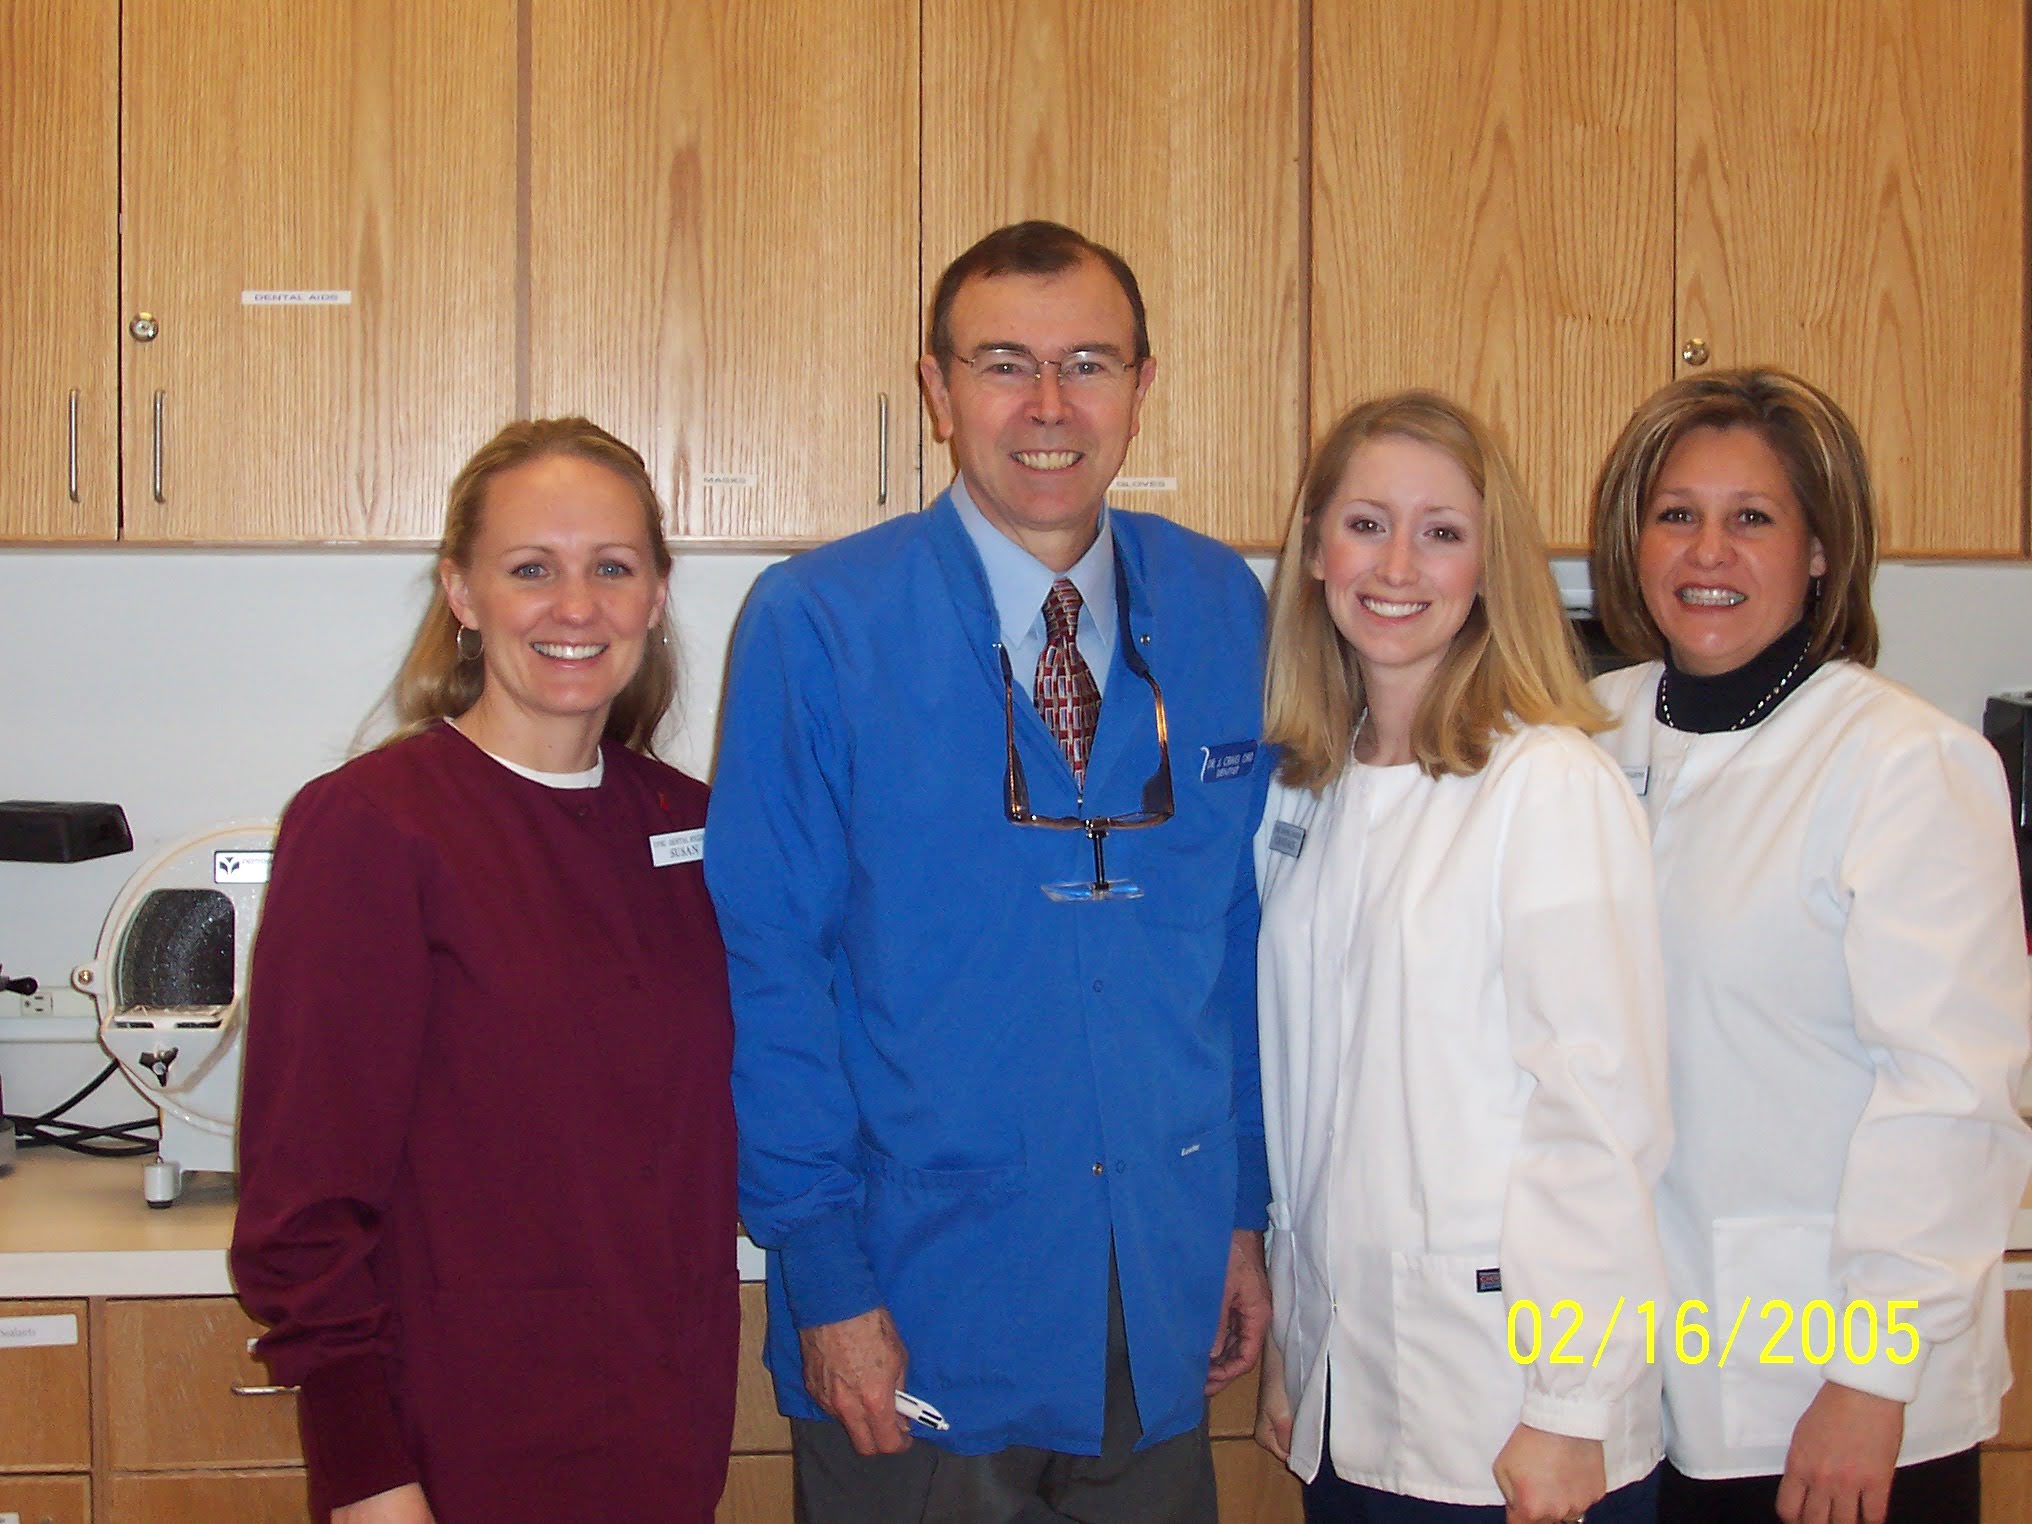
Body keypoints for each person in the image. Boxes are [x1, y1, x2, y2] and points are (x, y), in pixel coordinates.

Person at [705, 220, 1271, 1524]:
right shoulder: (821, 623)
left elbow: (1230, 942)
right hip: (918, 1302)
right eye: (1005, 363)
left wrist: (1241, 1211)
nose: (1050, 406)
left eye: (1089, 363)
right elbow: (773, 974)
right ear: (939, 389)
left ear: (1142, 383)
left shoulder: (1221, 608)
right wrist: (829, 1280)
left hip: (1156, 1290)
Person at [231, 418, 737, 1524]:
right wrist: (366, 1474)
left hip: (668, 1426)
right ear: (461, 593)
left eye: (612, 567)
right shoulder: (374, 828)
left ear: (655, 595)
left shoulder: (695, 830)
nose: (576, 606)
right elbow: (302, 1203)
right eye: (530, 570)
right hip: (457, 1441)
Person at [1587, 367, 2032, 1524]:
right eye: (1675, 514)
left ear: (1821, 549)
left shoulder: (1902, 764)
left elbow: (1949, 1095)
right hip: (1641, 1377)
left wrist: (1870, 1380)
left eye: (1753, 519)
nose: (1706, 553)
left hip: (1832, 1391)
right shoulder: (1580, 735)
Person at [1253, 390, 1673, 1524]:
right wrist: (1303, 1357)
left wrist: (1569, 1407)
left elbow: (1598, 1113)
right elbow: (1311, 1107)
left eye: (1441, 532)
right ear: (1312, 553)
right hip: (1350, 1397)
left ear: (1490, 567)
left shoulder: (1546, 782)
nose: (1397, 565)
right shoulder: (1310, 786)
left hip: (1507, 1414)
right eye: (1364, 523)